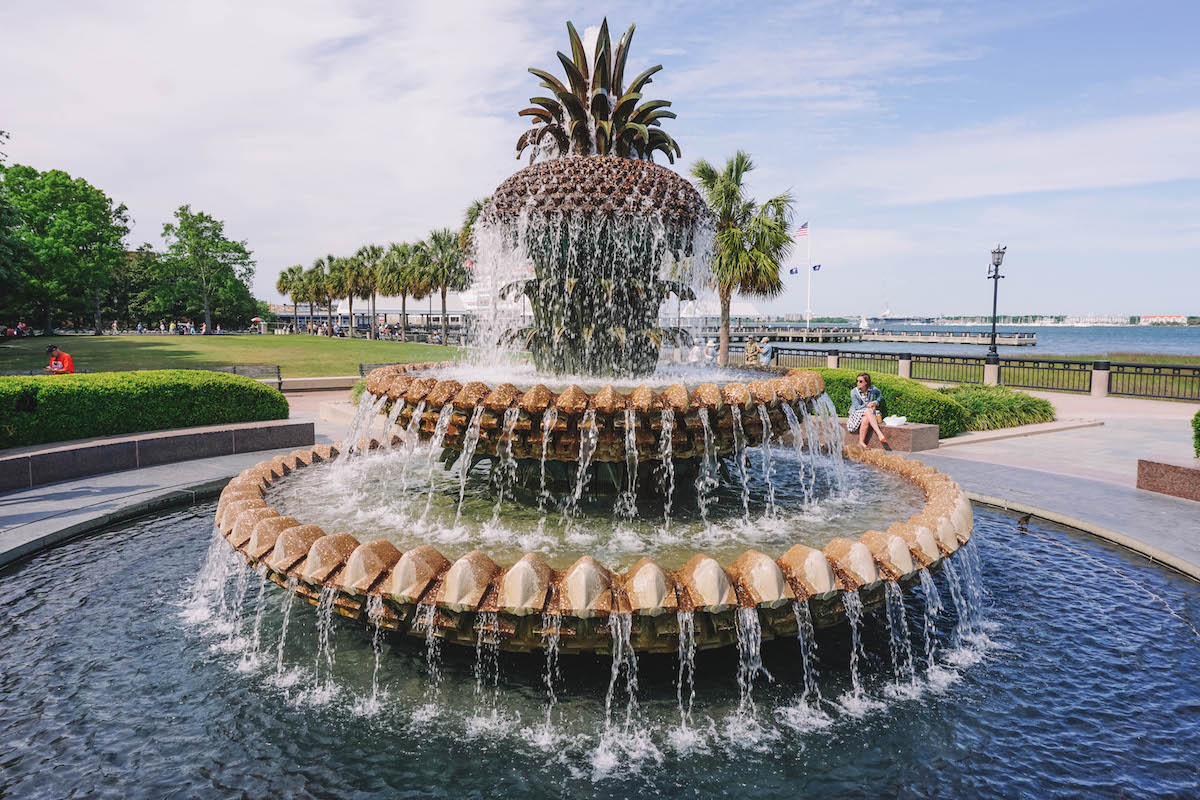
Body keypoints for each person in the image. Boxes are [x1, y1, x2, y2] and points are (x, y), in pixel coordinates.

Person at [848, 372, 887, 449]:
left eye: (861, 381)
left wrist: (877, 401)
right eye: (857, 381)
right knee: (867, 411)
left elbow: (879, 393)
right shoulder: (854, 392)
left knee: (866, 420)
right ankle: (879, 433)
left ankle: (861, 442)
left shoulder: (872, 389)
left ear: (866, 382)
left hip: (867, 413)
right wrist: (867, 405)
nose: (858, 383)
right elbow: (857, 407)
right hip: (856, 412)